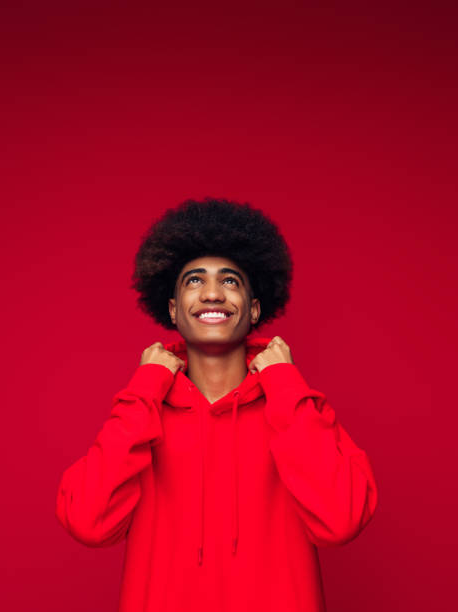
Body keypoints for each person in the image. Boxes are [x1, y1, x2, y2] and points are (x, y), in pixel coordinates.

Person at [55, 198, 378, 612]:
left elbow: (342, 521)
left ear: (255, 308)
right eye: (193, 281)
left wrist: (284, 383)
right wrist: (144, 389)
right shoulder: (142, 412)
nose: (211, 293)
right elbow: (87, 522)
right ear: (173, 310)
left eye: (230, 281)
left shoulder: (296, 406)